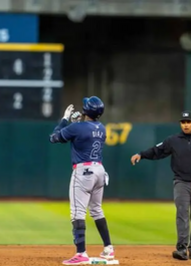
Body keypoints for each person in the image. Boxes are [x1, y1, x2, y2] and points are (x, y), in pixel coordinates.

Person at [130, 111, 191, 261]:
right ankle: (181, 249)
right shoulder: (173, 140)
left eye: (188, 122)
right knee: (182, 214)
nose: (186, 125)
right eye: (183, 122)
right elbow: (157, 151)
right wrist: (141, 154)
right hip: (181, 182)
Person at [49, 96, 115, 265]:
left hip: (83, 171)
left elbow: (54, 137)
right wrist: (76, 124)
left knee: (77, 213)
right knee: (96, 210)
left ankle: (81, 253)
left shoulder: (77, 127)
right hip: (99, 170)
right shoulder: (102, 127)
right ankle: (108, 248)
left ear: (86, 111)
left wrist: (65, 120)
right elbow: (86, 131)